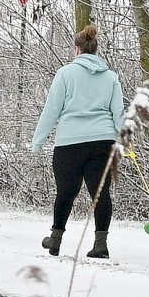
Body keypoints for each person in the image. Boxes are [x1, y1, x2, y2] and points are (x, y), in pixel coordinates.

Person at [32, 24, 124, 259]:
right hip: (103, 141)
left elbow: (52, 109)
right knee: (100, 193)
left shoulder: (65, 74)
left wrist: (38, 141)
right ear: (95, 50)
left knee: (65, 192)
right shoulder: (111, 77)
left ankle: (55, 239)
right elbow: (118, 113)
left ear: (77, 50)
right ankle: (101, 244)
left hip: (69, 142)